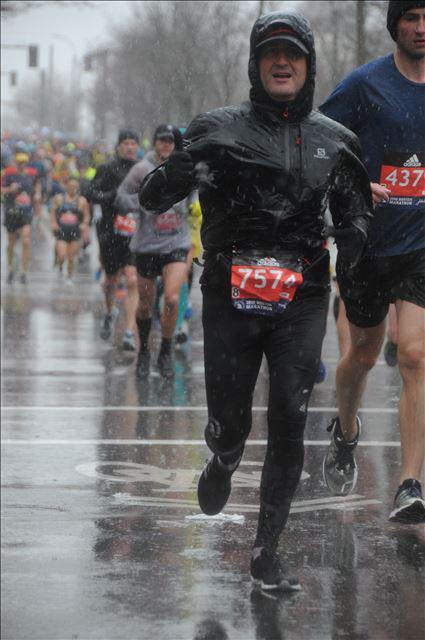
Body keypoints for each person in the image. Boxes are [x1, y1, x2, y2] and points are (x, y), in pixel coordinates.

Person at [139, 12, 373, 591]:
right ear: (254, 63)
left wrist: (357, 247)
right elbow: (152, 197)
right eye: (270, 53)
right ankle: (222, 455)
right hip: (230, 293)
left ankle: (268, 551)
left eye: (293, 54)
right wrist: (181, 169)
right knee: (231, 420)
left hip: (302, 295)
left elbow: (355, 215)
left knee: (291, 420)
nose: (282, 62)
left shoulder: (334, 141)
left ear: (309, 65)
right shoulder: (218, 130)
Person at [320, 1, 425, 524]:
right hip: (366, 243)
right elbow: (320, 142)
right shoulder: (364, 85)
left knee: (414, 355)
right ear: (395, 25)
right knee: (361, 356)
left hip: (420, 245)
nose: (422, 27)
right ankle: (345, 429)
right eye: (412, 17)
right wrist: (359, 184)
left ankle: (409, 483)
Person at [116, 124, 192, 378]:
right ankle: (144, 352)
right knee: (146, 305)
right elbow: (121, 197)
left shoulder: (185, 165)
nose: (166, 145)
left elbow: (200, 197)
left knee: (171, 298)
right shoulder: (141, 169)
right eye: (162, 140)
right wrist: (143, 202)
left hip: (177, 243)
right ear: (155, 142)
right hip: (147, 245)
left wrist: (194, 207)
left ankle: (166, 352)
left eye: (171, 141)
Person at [87, 130, 140, 350]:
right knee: (111, 281)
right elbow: (89, 192)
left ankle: (129, 332)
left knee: (132, 279)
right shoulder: (107, 168)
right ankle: (109, 312)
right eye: (125, 143)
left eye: (133, 143)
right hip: (109, 232)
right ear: (118, 146)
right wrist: (111, 197)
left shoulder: (142, 169)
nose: (129, 147)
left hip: (134, 233)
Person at [1, 152, 41, 284]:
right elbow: (2, 189)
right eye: (19, 162)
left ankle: (24, 271)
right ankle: (11, 268)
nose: (21, 164)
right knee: (11, 241)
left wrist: (37, 195)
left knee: (25, 240)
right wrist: (9, 189)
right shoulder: (9, 174)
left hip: (26, 212)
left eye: (23, 162)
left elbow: (37, 185)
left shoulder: (32, 174)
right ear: (15, 162)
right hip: (11, 211)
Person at [49, 175, 90, 283]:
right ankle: (60, 264)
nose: (73, 189)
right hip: (61, 231)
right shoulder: (59, 198)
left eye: (75, 187)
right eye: (71, 186)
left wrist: (84, 224)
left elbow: (87, 216)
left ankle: (69, 277)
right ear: (67, 186)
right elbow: (52, 212)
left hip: (75, 232)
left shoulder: (82, 201)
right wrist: (53, 223)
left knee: (71, 257)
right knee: (62, 255)